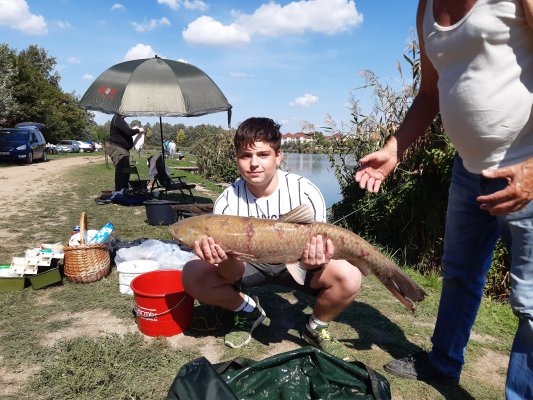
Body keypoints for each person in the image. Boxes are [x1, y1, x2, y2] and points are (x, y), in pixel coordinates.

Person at [355, 0, 533, 397]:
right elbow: (430, 93)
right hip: (468, 169)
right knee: (459, 274)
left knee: (532, 305)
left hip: (526, 166)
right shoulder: (426, 7)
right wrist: (393, 151)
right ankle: (443, 362)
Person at [182, 117, 361, 360]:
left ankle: (316, 327)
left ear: (278, 156)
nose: (254, 163)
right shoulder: (227, 200)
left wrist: (314, 261)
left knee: (350, 275)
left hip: (299, 262)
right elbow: (232, 274)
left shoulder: (304, 190)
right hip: (248, 263)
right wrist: (221, 258)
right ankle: (248, 311)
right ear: (237, 158)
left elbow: (315, 260)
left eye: (263, 155)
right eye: (246, 156)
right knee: (192, 273)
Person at [107, 113, 144, 192]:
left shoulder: (120, 119)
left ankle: (124, 190)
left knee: (126, 171)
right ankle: (119, 192)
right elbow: (128, 132)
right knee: (121, 171)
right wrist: (138, 130)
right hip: (118, 149)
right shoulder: (118, 119)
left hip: (123, 150)